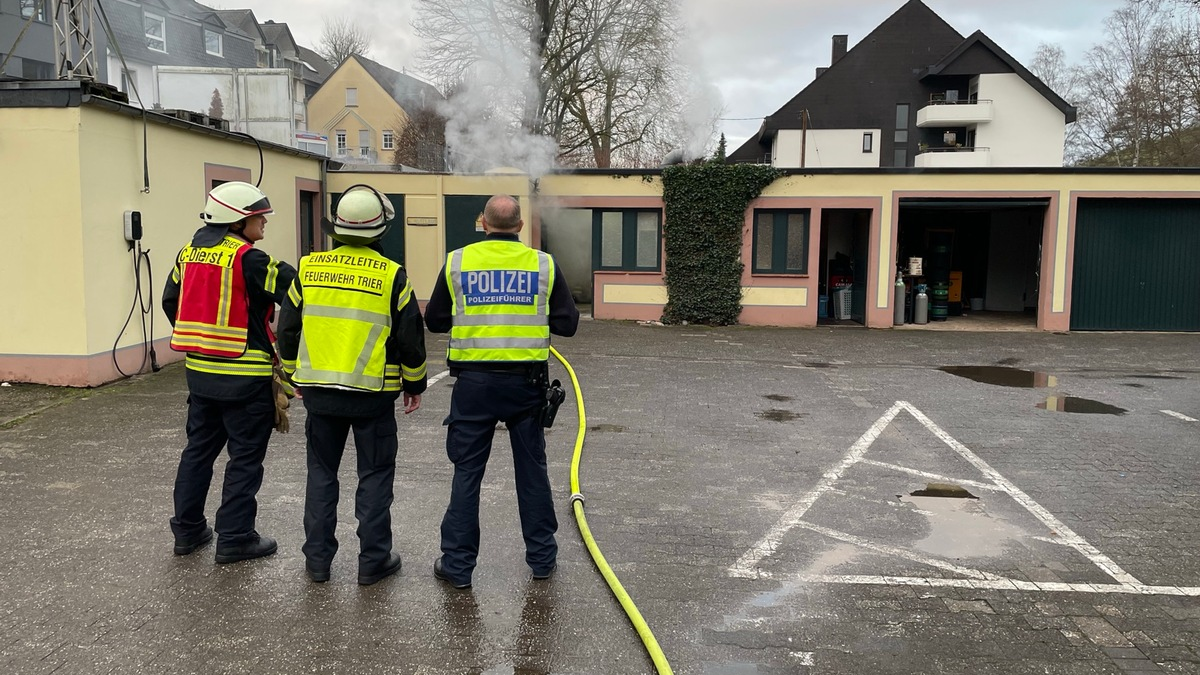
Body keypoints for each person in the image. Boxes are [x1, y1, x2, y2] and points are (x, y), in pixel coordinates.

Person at [424, 194, 579, 589]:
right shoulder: (542, 264)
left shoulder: (457, 261)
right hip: (526, 387)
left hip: (473, 387)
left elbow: (436, 320)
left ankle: (458, 568)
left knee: (467, 475)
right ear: (521, 226)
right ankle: (543, 560)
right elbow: (567, 324)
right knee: (532, 474)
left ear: (483, 222)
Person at [276, 185, 428, 585]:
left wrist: (294, 377)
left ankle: (318, 562)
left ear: (337, 228)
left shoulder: (307, 269)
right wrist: (415, 385)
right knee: (375, 476)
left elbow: (287, 329)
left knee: (321, 475)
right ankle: (373, 561)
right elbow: (410, 338)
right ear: (380, 230)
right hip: (373, 397)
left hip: (320, 395)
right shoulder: (393, 276)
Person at [162, 180, 296, 564]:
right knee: (244, 459)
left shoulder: (187, 254)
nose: (264, 224)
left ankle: (187, 533)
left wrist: (202, 337)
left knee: (198, 453)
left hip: (200, 376)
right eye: (259, 218)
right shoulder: (249, 258)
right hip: (246, 379)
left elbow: (171, 302)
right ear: (238, 222)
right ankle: (235, 538)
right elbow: (294, 290)